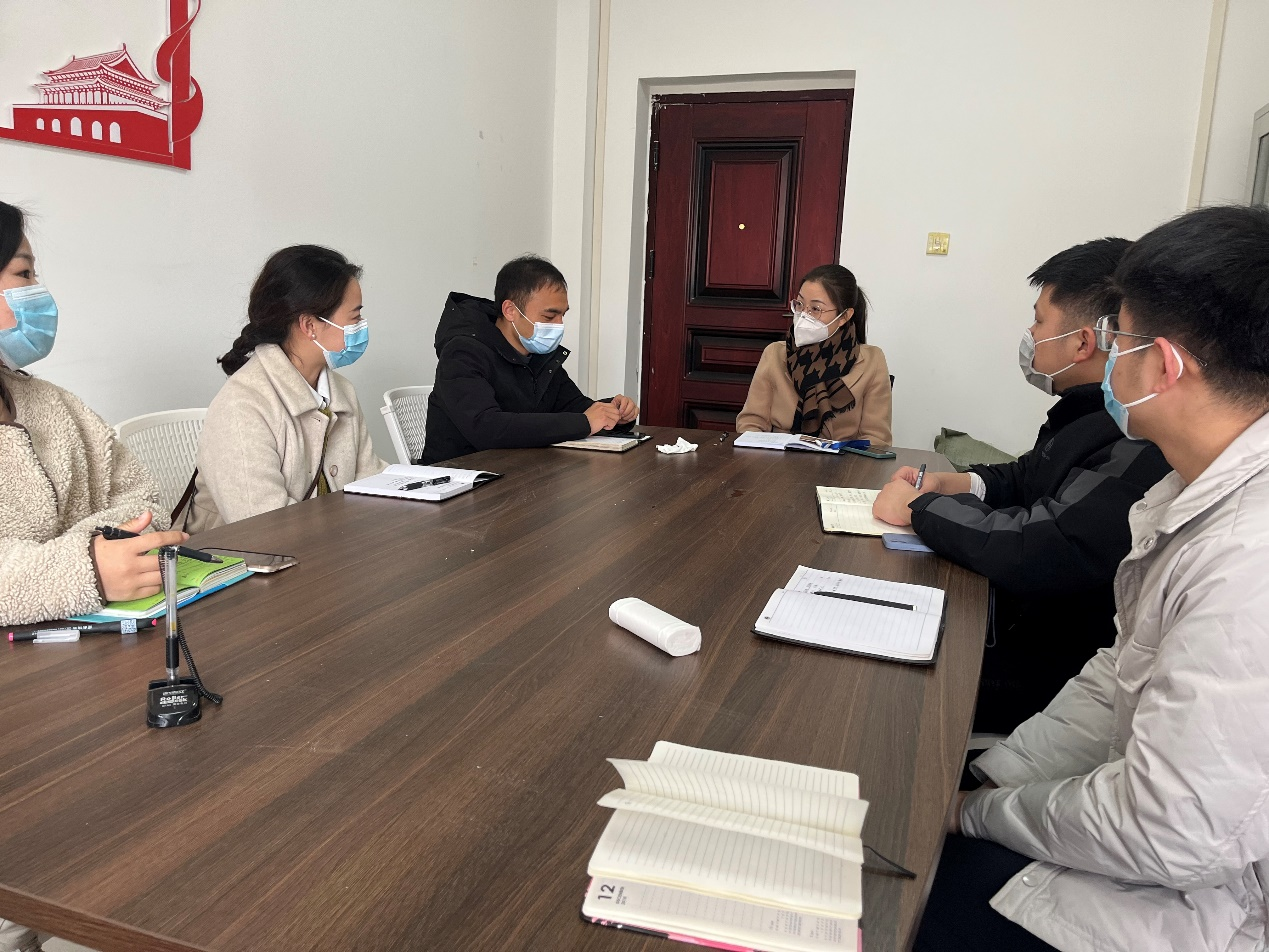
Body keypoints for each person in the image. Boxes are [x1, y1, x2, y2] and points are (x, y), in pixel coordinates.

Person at [915, 204, 1269, 952]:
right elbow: (1120, 670)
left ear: (1164, 364)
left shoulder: (1248, 560)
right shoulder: (1189, 488)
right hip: (1146, 836)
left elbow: (1168, 831)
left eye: (1118, 338)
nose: (1105, 356)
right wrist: (995, 777)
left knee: (889, 896)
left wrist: (973, 813)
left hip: (1209, 905)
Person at [873, 239, 1171, 732]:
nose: (1030, 335)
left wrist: (920, 507)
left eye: (1038, 321)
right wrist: (954, 482)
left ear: (1085, 341)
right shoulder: (1084, 413)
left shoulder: (1137, 436)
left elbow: (1048, 542)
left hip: (1050, 661)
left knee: (884, 685)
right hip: (1023, 623)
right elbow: (1026, 475)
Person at [0, 201, 186, 951]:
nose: (37, 293)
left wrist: (93, 551)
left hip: (85, 671)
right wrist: (86, 565)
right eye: (23, 274)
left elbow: (141, 495)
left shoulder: (50, 403)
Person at [186, 245, 386, 531]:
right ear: (309, 325)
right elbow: (263, 527)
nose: (362, 327)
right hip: (239, 554)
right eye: (354, 318)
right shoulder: (242, 406)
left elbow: (371, 481)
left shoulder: (343, 393)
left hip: (329, 547)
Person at [422, 254, 638, 464]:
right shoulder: (462, 353)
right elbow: (487, 428)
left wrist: (613, 413)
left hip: (522, 470)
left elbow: (574, 407)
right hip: (460, 476)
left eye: (563, 315)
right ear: (510, 311)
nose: (559, 325)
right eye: (549, 316)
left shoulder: (540, 355)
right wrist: (584, 422)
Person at [737, 264, 892, 443]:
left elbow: (876, 439)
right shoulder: (774, 353)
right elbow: (750, 423)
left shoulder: (872, 360)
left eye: (816, 309)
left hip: (842, 457)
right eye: (800, 304)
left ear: (844, 316)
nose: (804, 315)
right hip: (779, 456)